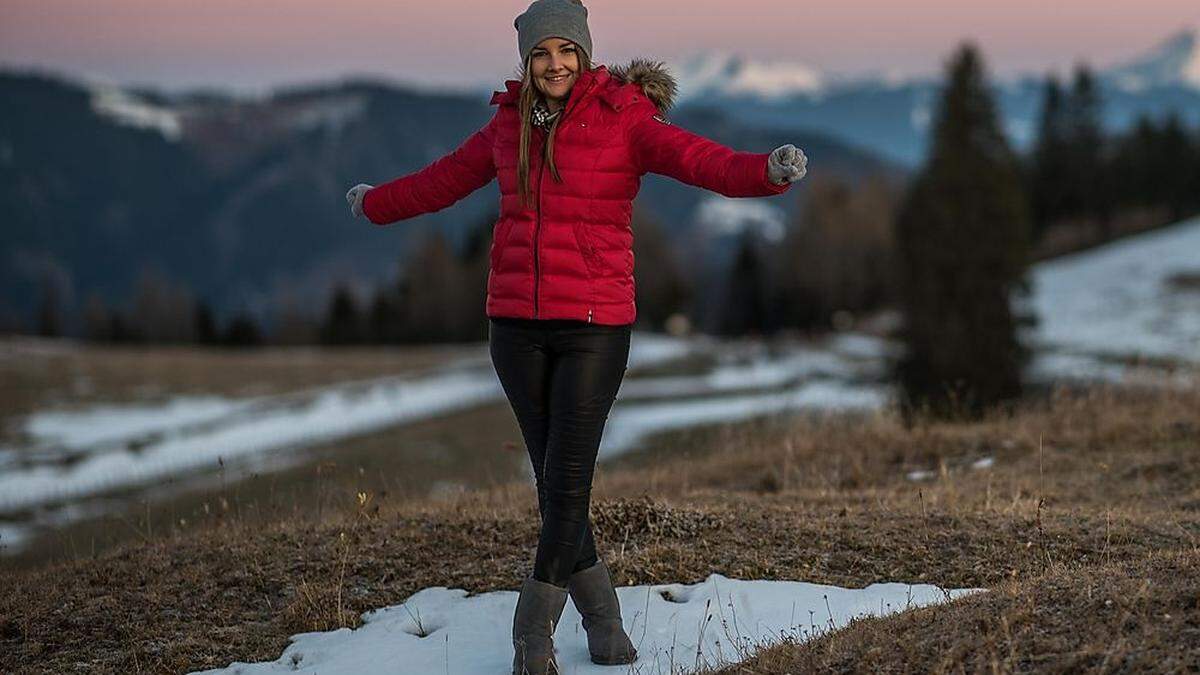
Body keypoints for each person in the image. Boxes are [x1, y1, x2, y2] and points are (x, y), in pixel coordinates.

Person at [345, 1, 807, 672]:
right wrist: (375, 202)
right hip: (515, 329)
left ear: (584, 55)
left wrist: (766, 172)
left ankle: (531, 632)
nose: (554, 63)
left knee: (566, 477)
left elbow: (701, 161)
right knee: (556, 485)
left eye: (565, 50)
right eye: (541, 53)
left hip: (595, 324)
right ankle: (604, 619)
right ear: (527, 62)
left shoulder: (626, 118)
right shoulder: (509, 125)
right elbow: (441, 181)